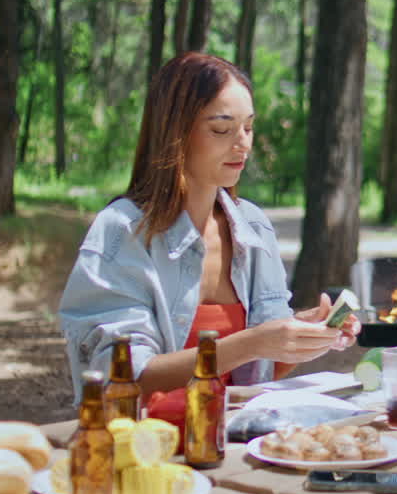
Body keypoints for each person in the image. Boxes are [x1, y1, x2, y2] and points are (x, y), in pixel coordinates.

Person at [59, 52, 360, 409]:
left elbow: (258, 373)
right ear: (175, 132)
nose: (243, 143)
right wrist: (254, 342)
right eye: (221, 129)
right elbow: (122, 377)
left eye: (248, 127)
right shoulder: (122, 231)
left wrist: (302, 336)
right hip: (146, 446)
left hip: (235, 443)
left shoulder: (254, 228)